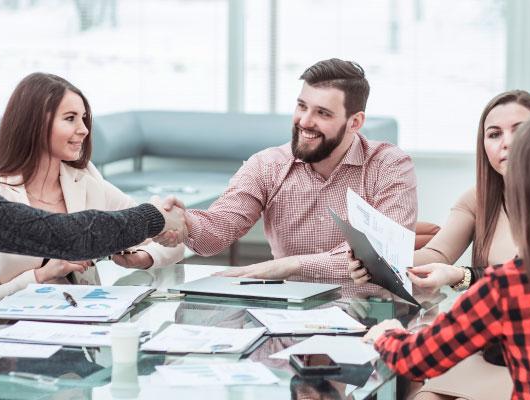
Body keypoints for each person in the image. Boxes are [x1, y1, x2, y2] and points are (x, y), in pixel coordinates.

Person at [0, 61, 187, 322]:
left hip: (84, 343)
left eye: (84, 119)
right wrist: (37, 278)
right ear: (33, 124)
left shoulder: (87, 183)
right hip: (3, 349)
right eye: (70, 118)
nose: (84, 129)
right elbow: (73, 234)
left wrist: (143, 256)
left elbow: (168, 243)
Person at [158, 58, 417, 294]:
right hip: (287, 314)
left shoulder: (389, 165)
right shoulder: (267, 165)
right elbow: (216, 233)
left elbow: (383, 254)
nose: (305, 121)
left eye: (322, 113)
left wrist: (292, 265)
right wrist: (185, 222)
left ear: (355, 122)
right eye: (302, 106)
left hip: (369, 317)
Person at [349, 90, 530, 399]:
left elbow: (414, 359)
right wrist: (378, 261)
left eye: (521, 131)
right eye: (494, 134)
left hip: (511, 359)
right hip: (487, 349)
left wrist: (458, 275)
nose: (507, 143)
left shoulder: (506, 286)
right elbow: (436, 253)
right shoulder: (479, 198)